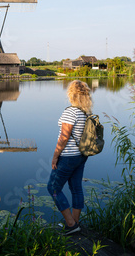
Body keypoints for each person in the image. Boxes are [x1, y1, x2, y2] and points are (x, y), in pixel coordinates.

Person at [47, 80, 92, 235]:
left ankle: (71, 224)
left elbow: (64, 137)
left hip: (67, 157)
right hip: (81, 156)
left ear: (71, 94)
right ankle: (75, 222)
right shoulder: (85, 113)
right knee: (76, 188)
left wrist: (54, 157)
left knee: (53, 188)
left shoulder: (70, 112)